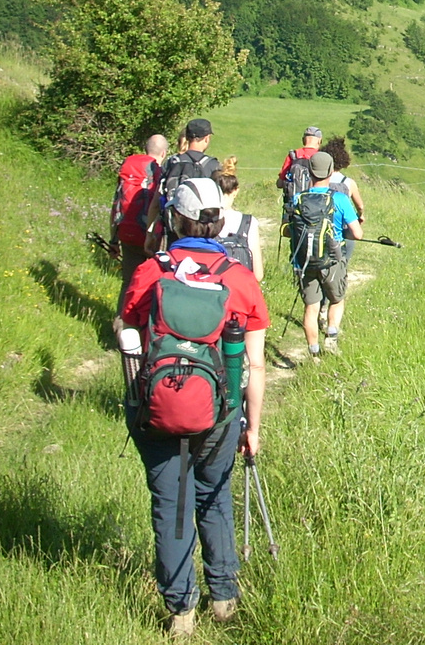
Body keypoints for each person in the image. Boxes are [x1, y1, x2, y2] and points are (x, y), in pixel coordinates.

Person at [120, 177, 268, 636]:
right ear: (219, 220)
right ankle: (223, 598)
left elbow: (126, 333)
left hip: (157, 408)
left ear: (174, 219)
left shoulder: (151, 272)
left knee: (170, 502)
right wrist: (252, 427)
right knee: (214, 496)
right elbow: (255, 365)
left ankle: (180, 611)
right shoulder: (239, 279)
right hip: (219, 412)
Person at [293, 151, 361, 361]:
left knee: (311, 307)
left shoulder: (298, 198)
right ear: (331, 172)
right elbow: (358, 234)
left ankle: (313, 354)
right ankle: (331, 338)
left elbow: (289, 230)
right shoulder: (339, 199)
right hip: (332, 259)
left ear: (310, 172)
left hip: (304, 261)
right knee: (336, 299)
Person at [147, 119, 220, 251]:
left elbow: (156, 203)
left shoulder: (172, 162)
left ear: (187, 137)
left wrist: (149, 235)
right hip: (204, 234)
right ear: (207, 138)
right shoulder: (212, 165)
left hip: (175, 231)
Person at [111, 133, 169, 292]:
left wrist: (113, 240)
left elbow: (116, 206)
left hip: (127, 232)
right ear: (163, 153)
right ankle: (144, 316)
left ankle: (121, 317)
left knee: (128, 282)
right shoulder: (162, 174)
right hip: (152, 237)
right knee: (152, 284)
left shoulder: (129, 168)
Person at [215, 157, 263, 282]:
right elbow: (258, 274)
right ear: (236, 191)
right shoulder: (248, 222)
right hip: (240, 290)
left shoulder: (206, 222)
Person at [320, 135, 366, 262]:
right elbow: (360, 206)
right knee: (342, 263)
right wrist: (360, 215)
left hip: (318, 229)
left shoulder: (318, 181)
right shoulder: (348, 183)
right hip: (340, 232)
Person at [274, 125, 322, 192]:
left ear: (303, 140)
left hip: (294, 200)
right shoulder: (322, 157)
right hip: (315, 199)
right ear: (319, 141)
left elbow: (280, 183)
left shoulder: (293, 155)